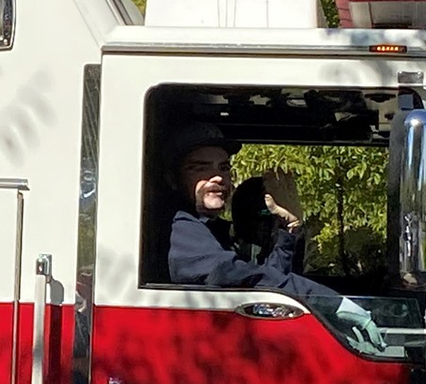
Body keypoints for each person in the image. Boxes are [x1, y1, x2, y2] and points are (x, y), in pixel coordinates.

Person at [163, 121, 385, 352]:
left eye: (224, 168)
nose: (218, 177)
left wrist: (290, 228)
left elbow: (269, 285)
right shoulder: (182, 229)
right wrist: (329, 302)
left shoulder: (212, 230)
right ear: (172, 179)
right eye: (200, 168)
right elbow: (232, 274)